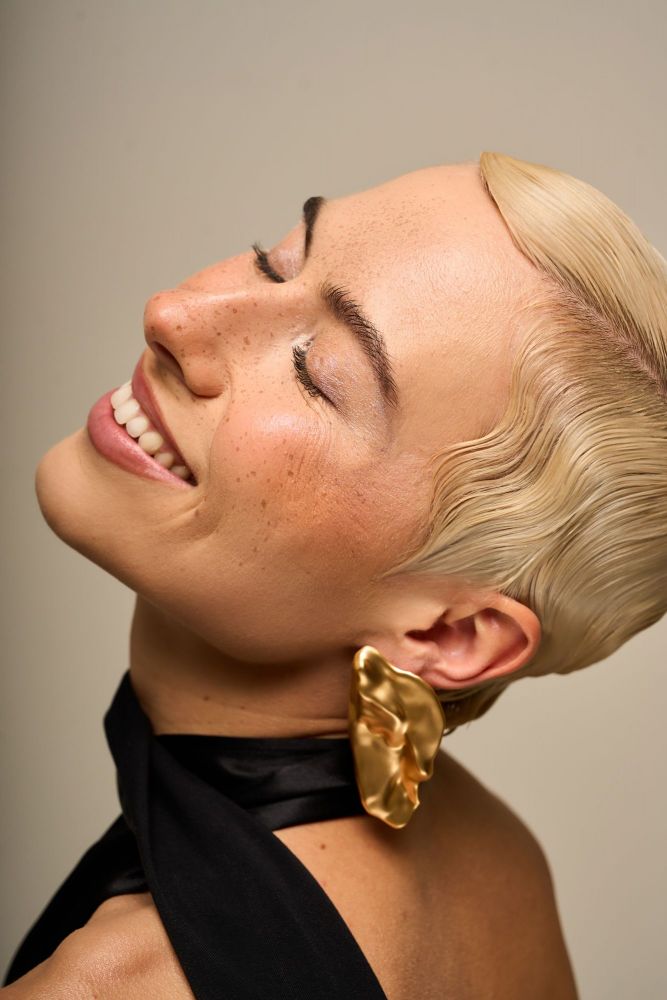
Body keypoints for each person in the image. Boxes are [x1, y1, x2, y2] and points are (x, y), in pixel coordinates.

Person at [3, 152, 666, 999]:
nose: (172, 312)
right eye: (274, 261)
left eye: (315, 372)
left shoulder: (126, 986)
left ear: (450, 634)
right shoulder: (498, 863)